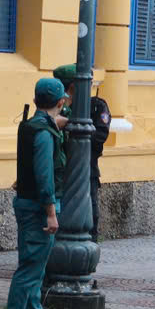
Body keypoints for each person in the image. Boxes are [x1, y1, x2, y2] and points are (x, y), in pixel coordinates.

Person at [3, 78, 67, 309]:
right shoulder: (43, 133)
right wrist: (50, 212)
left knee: (35, 269)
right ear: (61, 102)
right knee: (30, 269)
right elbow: (44, 176)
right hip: (38, 208)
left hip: (29, 204)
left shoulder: (32, 126)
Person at [53, 64, 111, 238]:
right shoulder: (56, 108)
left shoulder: (96, 106)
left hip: (87, 171)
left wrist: (69, 125)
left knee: (89, 218)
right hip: (60, 173)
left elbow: (100, 136)